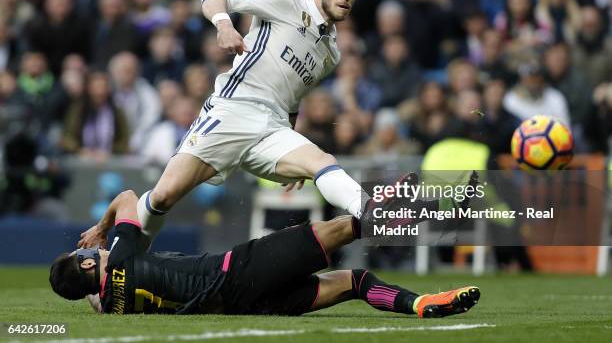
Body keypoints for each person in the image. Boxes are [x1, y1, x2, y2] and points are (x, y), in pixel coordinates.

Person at [110, 0, 401, 243]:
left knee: (321, 162)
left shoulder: (332, 52)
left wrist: (291, 141)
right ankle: (120, 260)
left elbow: (292, 96)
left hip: (272, 129)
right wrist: (224, 26)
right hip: (234, 109)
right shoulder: (286, 1)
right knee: (163, 196)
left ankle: (370, 210)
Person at [50, 190, 480, 317]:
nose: (98, 251)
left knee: (354, 283)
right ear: (88, 262)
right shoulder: (120, 256)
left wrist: (89, 280)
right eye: (88, 253)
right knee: (348, 226)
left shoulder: (112, 306)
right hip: (241, 269)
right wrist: (103, 228)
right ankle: (441, 214)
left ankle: (421, 303)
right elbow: (127, 196)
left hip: (247, 306)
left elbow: (93, 297)